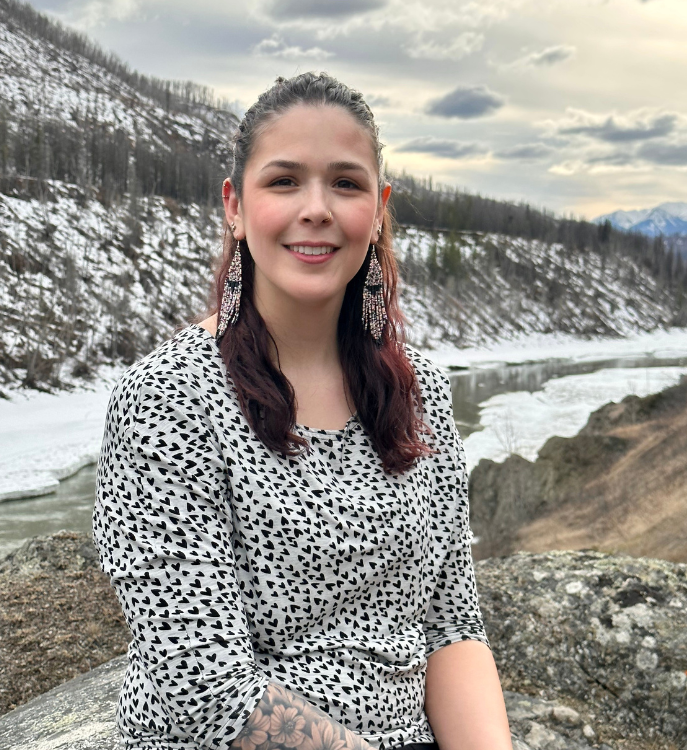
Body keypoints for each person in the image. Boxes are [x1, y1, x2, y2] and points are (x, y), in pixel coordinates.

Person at [94, 71, 513, 750]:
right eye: (284, 181)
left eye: (345, 184)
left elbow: (452, 624)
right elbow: (202, 681)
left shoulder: (422, 393)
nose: (316, 208)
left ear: (378, 208)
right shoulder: (168, 396)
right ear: (235, 205)